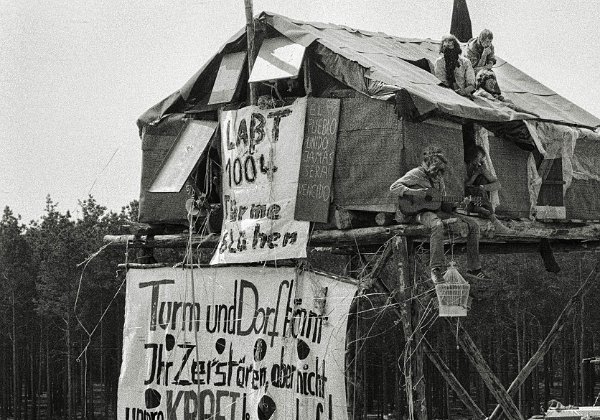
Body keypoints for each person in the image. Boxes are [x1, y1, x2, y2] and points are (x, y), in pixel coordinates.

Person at [390, 145, 488, 284]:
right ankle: (435, 269)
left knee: (473, 224)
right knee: (437, 224)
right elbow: (393, 188)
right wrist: (415, 192)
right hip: (418, 213)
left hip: (436, 210)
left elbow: (443, 203)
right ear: (429, 164)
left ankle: (474, 268)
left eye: (441, 170)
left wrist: (460, 203)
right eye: (436, 169)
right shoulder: (416, 173)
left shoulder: (439, 178)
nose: (439, 173)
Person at [464, 145, 513, 235]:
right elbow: (466, 185)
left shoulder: (481, 168)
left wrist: (483, 187)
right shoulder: (465, 166)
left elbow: (498, 184)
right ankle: (494, 220)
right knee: (476, 189)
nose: (480, 161)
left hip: (480, 199)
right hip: (468, 199)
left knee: (482, 183)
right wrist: (475, 175)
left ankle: (486, 211)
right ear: (473, 157)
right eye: (479, 158)